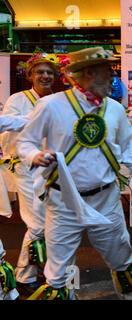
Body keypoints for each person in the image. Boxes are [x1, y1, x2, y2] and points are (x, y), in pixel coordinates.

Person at [16, 47, 132, 300]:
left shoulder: (115, 110)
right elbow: (25, 142)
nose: (113, 78)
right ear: (88, 73)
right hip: (63, 203)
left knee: (122, 260)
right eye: (108, 72)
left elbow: (129, 149)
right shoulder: (50, 105)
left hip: (106, 200)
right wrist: (34, 156)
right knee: (58, 272)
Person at [0, 52, 59, 297]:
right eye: (40, 72)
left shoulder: (59, 100)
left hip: (52, 171)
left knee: (50, 224)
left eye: (49, 72)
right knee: (36, 224)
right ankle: (25, 275)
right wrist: (42, 117)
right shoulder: (18, 99)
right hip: (25, 169)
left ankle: (42, 268)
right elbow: (7, 122)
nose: (44, 76)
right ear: (30, 75)